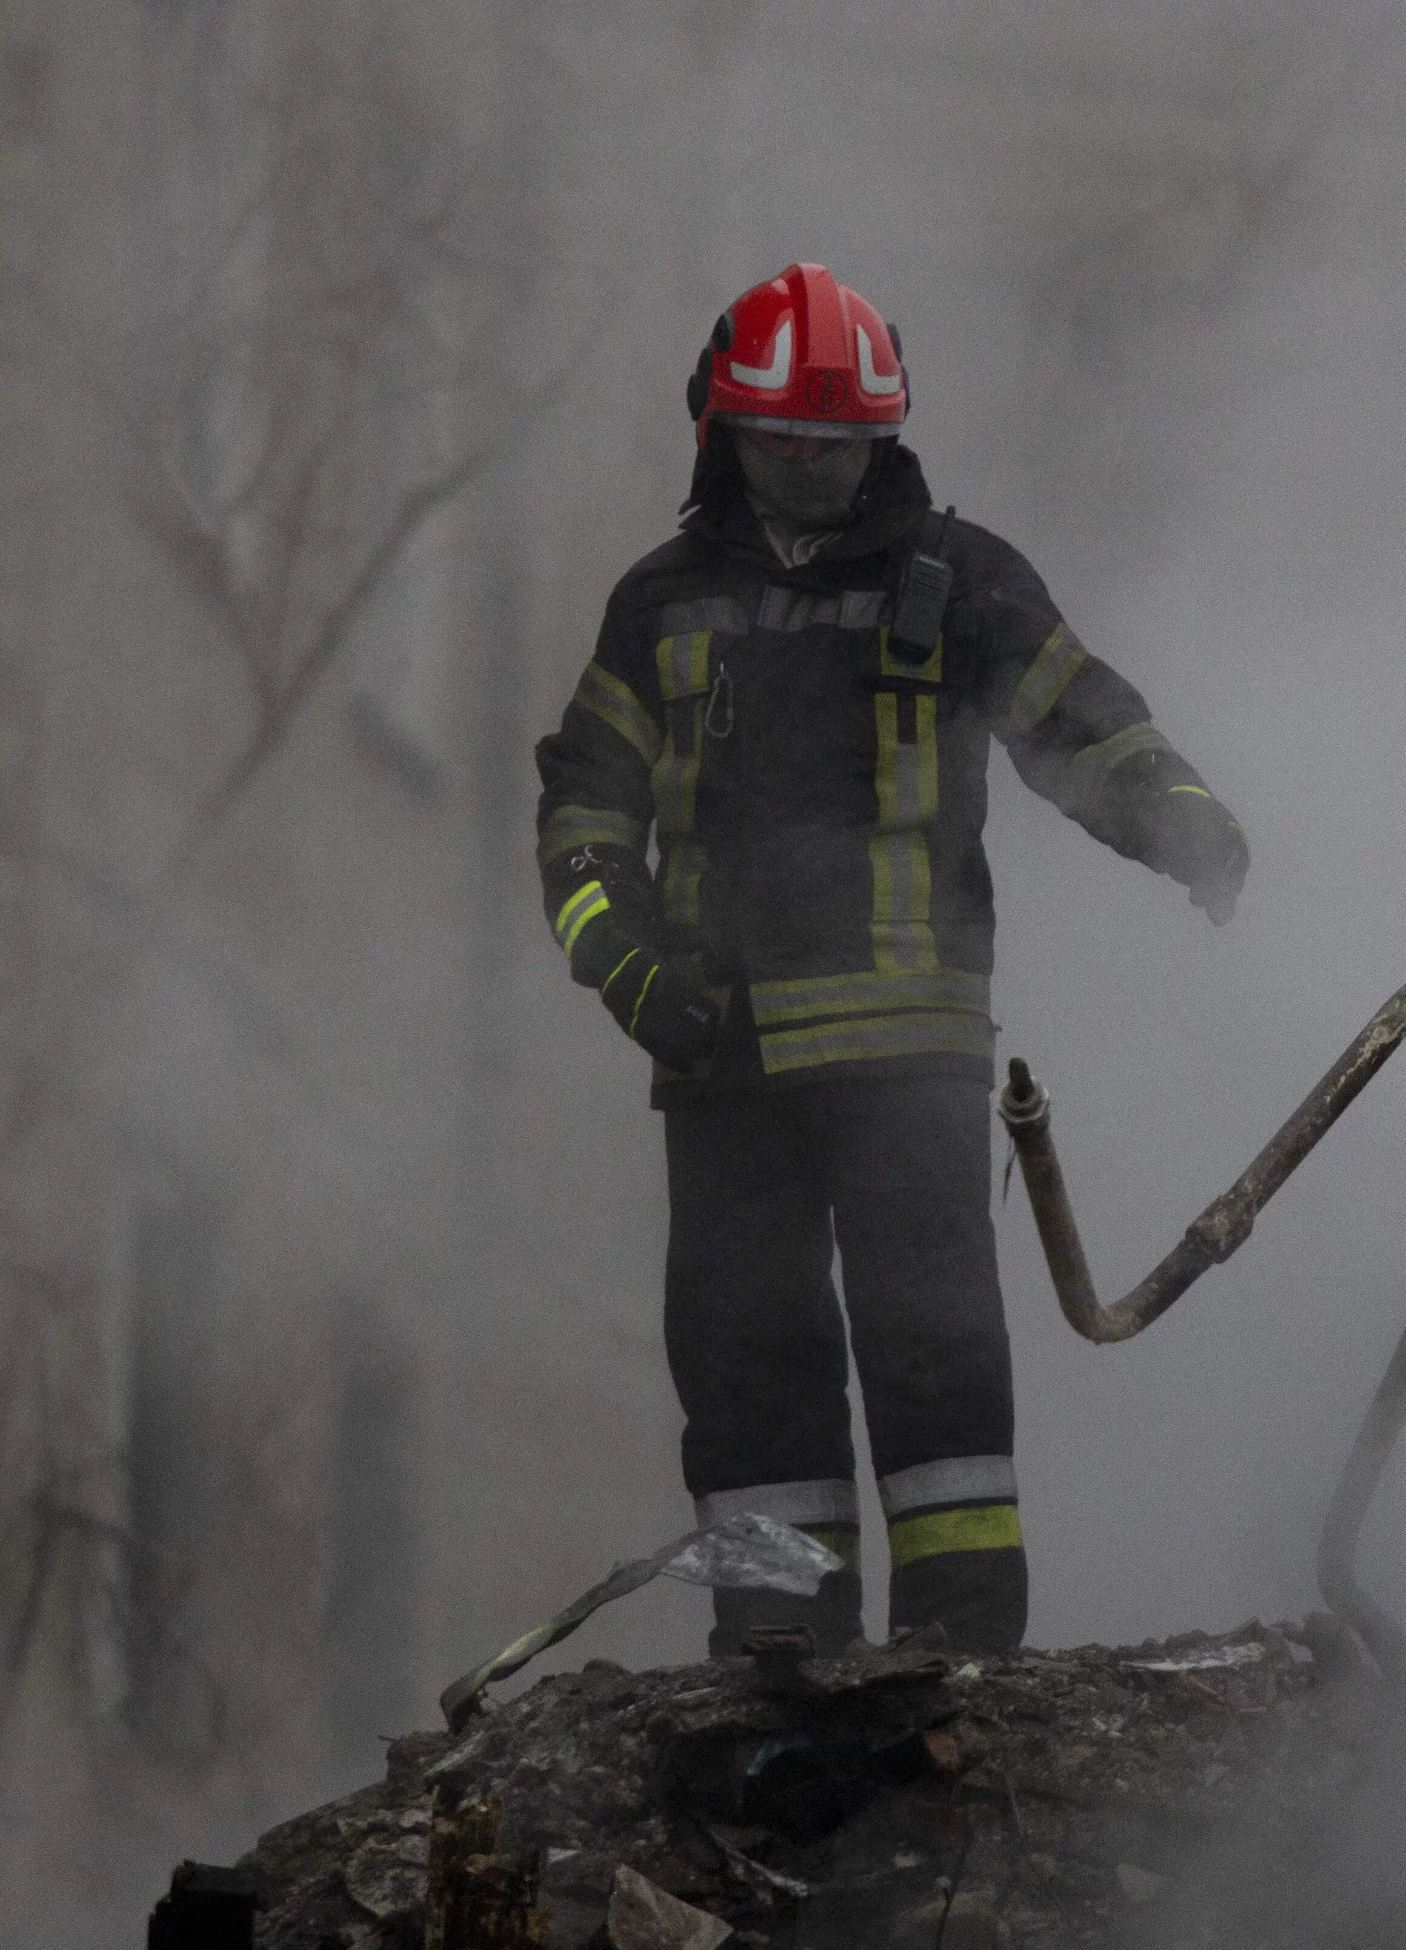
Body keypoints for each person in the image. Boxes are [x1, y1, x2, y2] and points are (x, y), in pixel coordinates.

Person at [534, 263, 1248, 1655]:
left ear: (882, 440)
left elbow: (1078, 718)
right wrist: (629, 968)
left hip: (909, 1066)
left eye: (836, 446)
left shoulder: (960, 583)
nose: (808, 469)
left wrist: (1186, 825)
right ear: (723, 435)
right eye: (782, 443)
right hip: (721, 1057)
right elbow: (583, 815)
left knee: (938, 1364)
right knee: (750, 1369)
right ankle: (779, 1662)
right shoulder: (660, 605)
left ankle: (957, 1666)